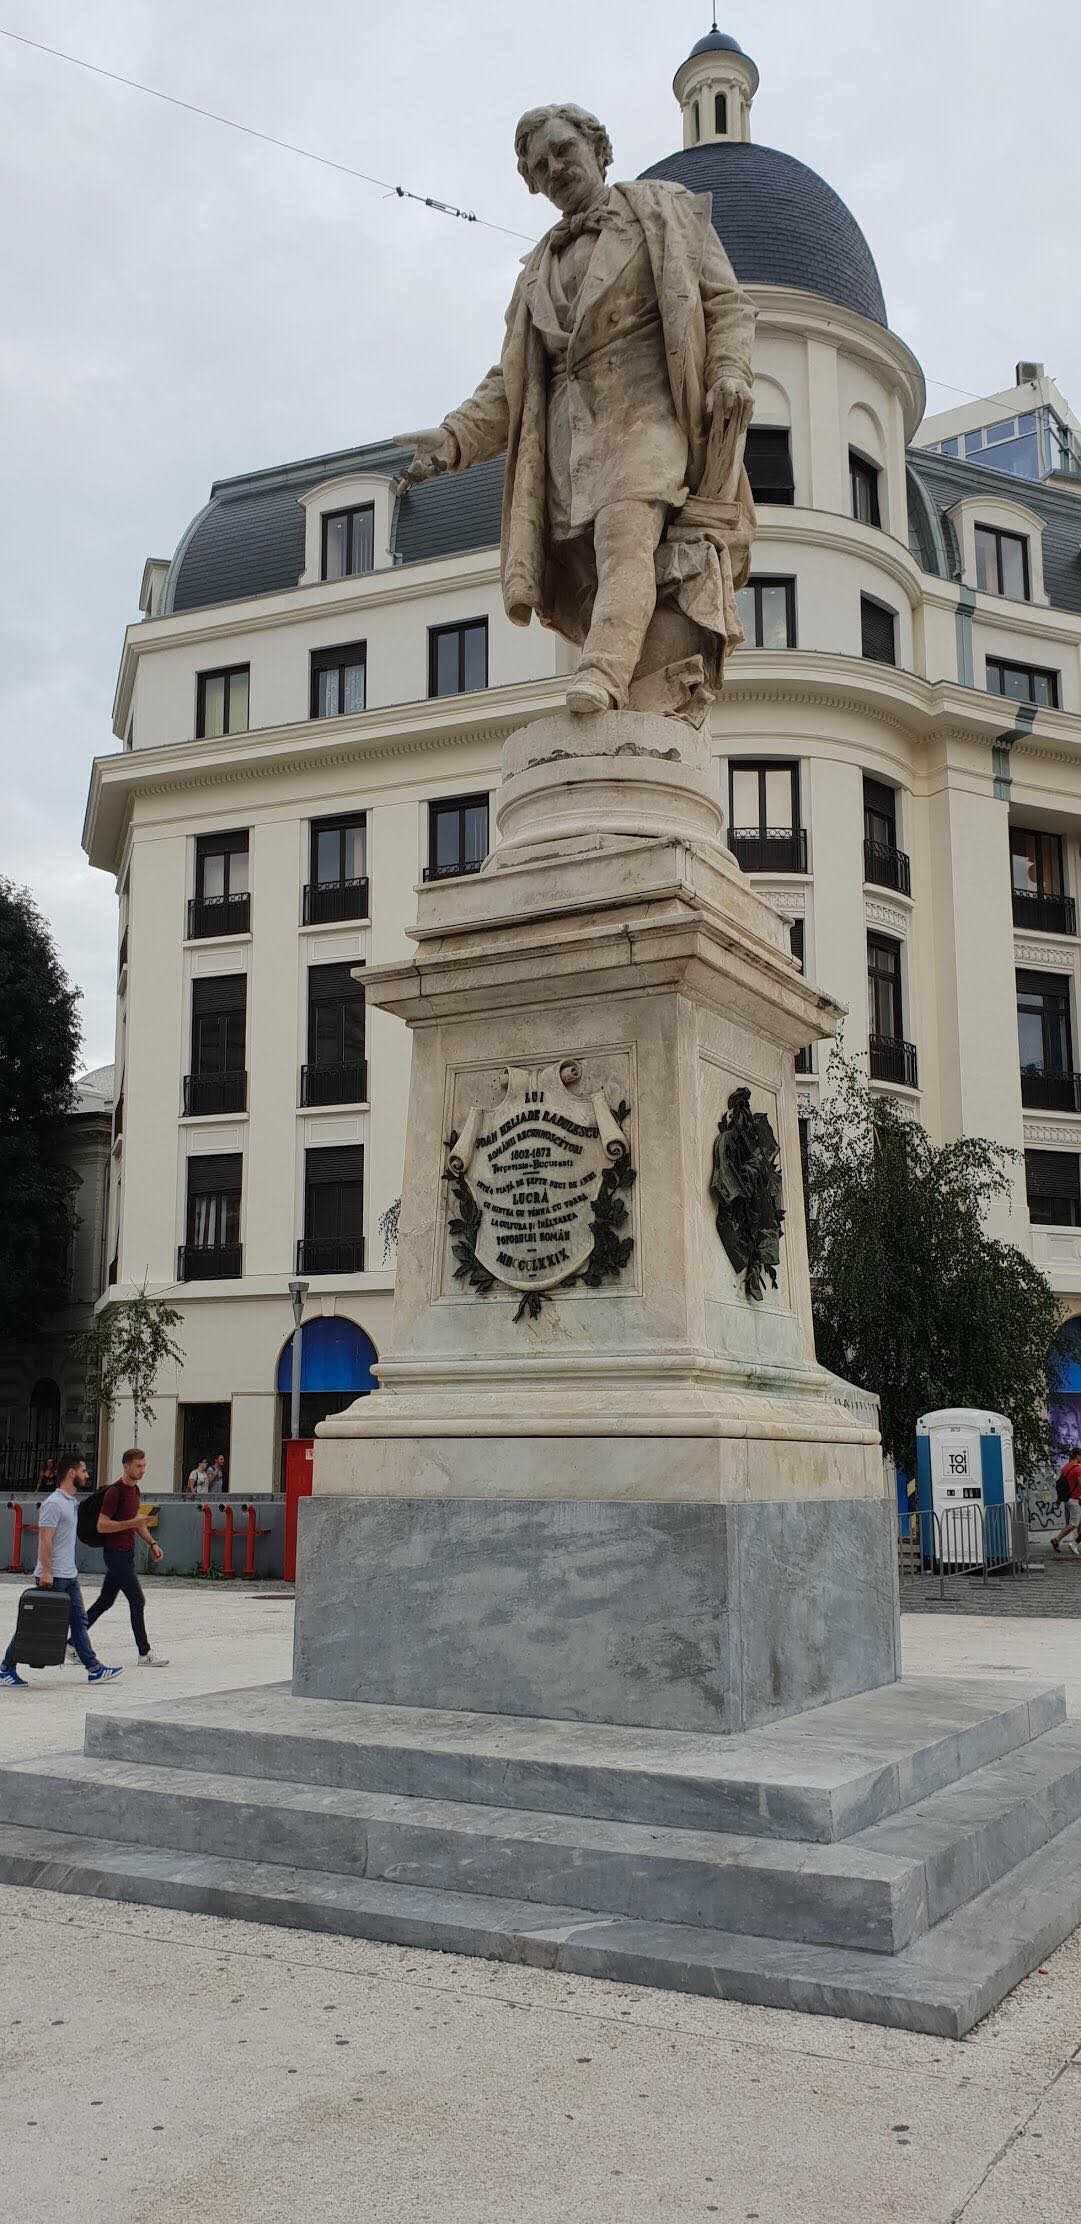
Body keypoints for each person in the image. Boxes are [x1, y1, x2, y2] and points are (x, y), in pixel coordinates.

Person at [399, 102, 756, 728]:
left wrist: (729, 371)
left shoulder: (664, 209)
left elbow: (725, 305)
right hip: (570, 443)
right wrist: (453, 438)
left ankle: (603, 672)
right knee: (593, 580)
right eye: (540, 167)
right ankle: (621, 692)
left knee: (627, 537)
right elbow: (510, 380)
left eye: (563, 150)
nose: (555, 169)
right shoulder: (537, 268)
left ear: (597, 147)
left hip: (647, 415)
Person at [0, 1454, 122, 1688]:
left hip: (69, 1575)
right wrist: (46, 1572)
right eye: (84, 1471)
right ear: (72, 1473)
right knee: (35, 1624)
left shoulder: (71, 1502)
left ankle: (94, 1669)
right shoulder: (54, 1503)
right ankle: (5, 1668)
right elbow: (45, 1539)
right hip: (54, 1576)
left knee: (79, 1622)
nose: (87, 1475)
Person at [84, 1448, 169, 1665]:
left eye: (144, 1466)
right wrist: (131, 1523)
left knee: (104, 1601)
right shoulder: (115, 1492)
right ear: (126, 1466)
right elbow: (102, 1525)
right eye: (138, 1466)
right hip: (115, 1554)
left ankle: (73, 1642)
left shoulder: (135, 1491)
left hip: (126, 1553)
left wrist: (152, 1543)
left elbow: (136, 1522)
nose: (142, 1470)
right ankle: (144, 1653)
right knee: (137, 1600)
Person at [1051, 1449, 1081, 1556]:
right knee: (1074, 1523)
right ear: (1077, 1456)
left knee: (1079, 1523)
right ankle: (1057, 1539)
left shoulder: (1066, 1467)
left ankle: (1076, 1543)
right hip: (1074, 1499)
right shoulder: (1077, 1469)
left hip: (1067, 1499)